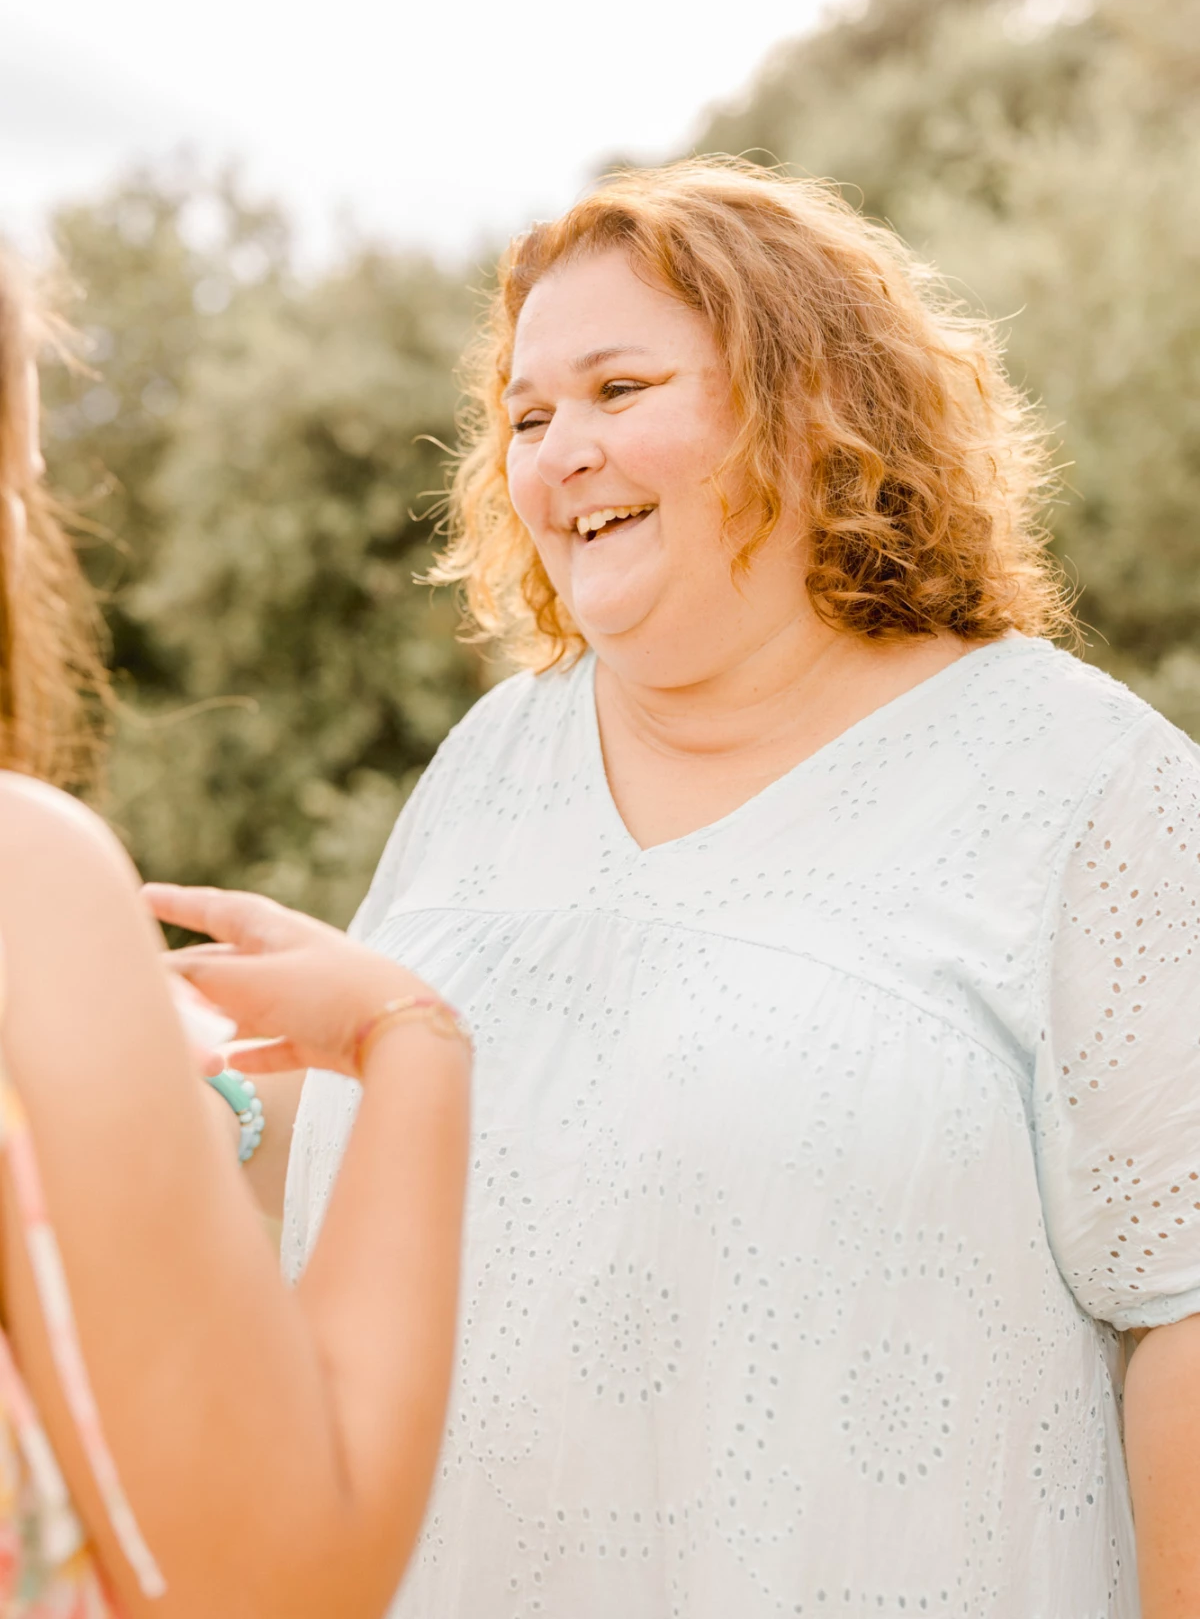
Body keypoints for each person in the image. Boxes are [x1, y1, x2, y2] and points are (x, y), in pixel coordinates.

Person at [272, 158, 1200, 1619]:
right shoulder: (490, 762)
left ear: (815, 402)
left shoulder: (1082, 778)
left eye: (619, 390)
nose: (557, 449)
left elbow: (1185, 1312)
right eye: (526, 415)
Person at [0, 245, 471, 1618]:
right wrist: (412, 1044)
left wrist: (188, 1117)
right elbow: (281, 1587)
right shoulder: (24, 875)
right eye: (26, 480)